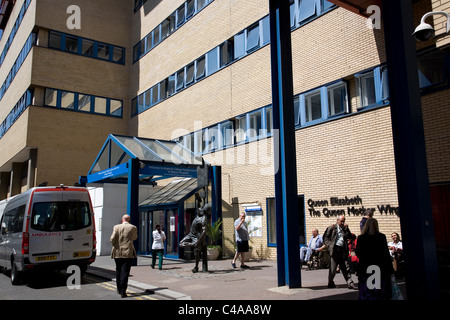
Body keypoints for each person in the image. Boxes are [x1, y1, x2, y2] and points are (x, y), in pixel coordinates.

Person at [356, 218, 394, 300]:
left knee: (368, 290)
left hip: (365, 267)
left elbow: (358, 252)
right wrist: (390, 269)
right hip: (379, 267)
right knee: (378, 290)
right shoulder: (381, 237)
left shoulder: (361, 238)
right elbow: (385, 254)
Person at [321, 215, 357, 289]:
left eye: (343, 221)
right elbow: (325, 238)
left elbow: (349, 237)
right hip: (335, 250)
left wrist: (347, 229)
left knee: (346, 268)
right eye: (341, 221)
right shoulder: (332, 228)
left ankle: (350, 283)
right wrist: (329, 245)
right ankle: (330, 283)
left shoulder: (344, 228)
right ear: (337, 221)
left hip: (343, 250)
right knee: (333, 269)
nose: (342, 223)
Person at [110, 214, 138, 298]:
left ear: (122, 219)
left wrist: (115, 244)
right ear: (129, 220)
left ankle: (118, 288)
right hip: (128, 252)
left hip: (117, 252)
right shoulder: (133, 227)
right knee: (125, 271)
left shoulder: (116, 227)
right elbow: (135, 237)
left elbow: (112, 239)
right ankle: (123, 291)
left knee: (118, 270)